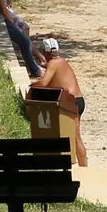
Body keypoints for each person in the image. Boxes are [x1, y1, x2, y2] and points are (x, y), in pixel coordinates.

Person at [27, 36, 87, 166]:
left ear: (45, 52)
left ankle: (84, 168)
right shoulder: (62, 61)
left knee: (76, 139)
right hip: (77, 100)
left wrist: (31, 86)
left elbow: (43, 83)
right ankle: (82, 166)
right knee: (74, 137)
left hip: (71, 102)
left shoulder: (53, 63)